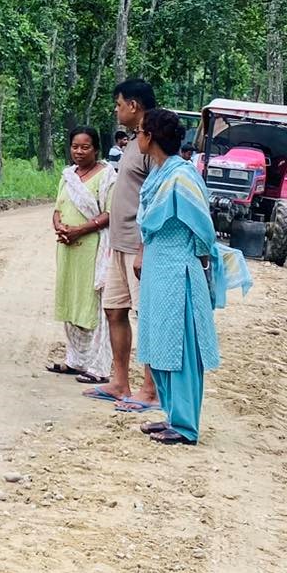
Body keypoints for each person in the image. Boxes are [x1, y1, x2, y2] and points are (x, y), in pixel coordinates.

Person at [133, 108, 250, 444]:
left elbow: (202, 228)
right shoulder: (159, 174)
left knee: (181, 345)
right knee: (159, 341)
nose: (136, 137)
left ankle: (186, 425)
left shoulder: (182, 176)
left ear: (151, 136)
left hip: (178, 269)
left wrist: (198, 260)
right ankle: (172, 414)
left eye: (140, 131)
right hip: (158, 267)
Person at [91, 80, 159, 411]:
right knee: (114, 309)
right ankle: (120, 381)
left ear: (133, 105)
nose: (116, 110)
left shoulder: (151, 142)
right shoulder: (134, 142)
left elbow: (159, 193)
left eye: (118, 104)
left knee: (145, 315)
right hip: (119, 243)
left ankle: (150, 388)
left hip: (138, 243)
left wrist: (147, 246)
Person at [47, 127, 109, 381]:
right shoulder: (67, 176)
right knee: (70, 298)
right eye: (75, 146)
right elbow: (58, 208)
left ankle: (97, 365)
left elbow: (109, 212)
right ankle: (75, 360)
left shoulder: (107, 176)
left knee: (91, 304)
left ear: (96, 149)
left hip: (92, 248)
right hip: (67, 249)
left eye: (85, 147)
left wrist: (80, 230)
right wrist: (60, 226)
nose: (79, 152)